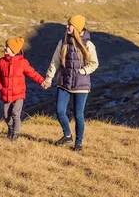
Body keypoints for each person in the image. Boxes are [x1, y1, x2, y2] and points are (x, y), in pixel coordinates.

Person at [41, 15, 99, 151]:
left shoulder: (88, 45)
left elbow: (94, 63)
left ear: (77, 27)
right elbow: (55, 61)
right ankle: (67, 135)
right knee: (60, 111)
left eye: (70, 25)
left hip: (81, 86)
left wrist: (83, 72)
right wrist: (49, 78)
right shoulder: (63, 42)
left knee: (78, 115)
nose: (67, 27)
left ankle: (78, 143)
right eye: (67, 24)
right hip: (64, 83)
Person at [0, 37, 46, 141]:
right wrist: (0, 87)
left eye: (7, 46)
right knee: (5, 115)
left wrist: (42, 81)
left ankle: (15, 135)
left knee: (15, 114)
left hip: (19, 94)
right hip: (5, 93)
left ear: (13, 49)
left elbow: (32, 73)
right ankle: (10, 128)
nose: (5, 48)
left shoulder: (22, 62)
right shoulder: (1, 62)